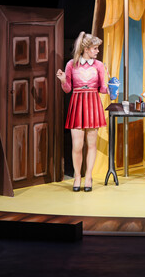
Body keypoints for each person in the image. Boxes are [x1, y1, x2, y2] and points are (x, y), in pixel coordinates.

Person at [56, 31, 107, 192]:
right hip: (77, 104)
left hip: (93, 104)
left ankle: (88, 177)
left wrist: (112, 88)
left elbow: (103, 89)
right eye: (95, 48)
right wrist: (63, 80)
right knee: (77, 145)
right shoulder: (71, 64)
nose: (97, 51)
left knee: (91, 144)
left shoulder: (99, 65)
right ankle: (77, 176)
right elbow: (67, 89)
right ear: (86, 49)